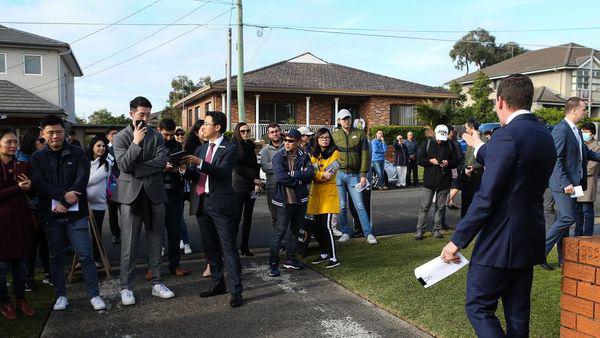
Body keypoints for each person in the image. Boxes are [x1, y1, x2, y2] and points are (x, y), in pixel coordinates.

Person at [441, 74, 556, 337]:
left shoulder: (507, 136)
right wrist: (479, 145)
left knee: (479, 307)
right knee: (517, 315)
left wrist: (456, 241)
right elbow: (510, 162)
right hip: (529, 236)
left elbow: (486, 197)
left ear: (501, 101)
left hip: (500, 241)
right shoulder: (544, 134)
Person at [31, 115, 106, 311]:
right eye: (50, 133)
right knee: (55, 257)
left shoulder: (77, 152)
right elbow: (39, 182)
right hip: (51, 215)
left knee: (85, 254)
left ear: (64, 132)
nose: (55, 136)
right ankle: (61, 295)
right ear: (43, 134)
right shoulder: (37, 157)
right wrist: (64, 197)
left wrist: (67, 200)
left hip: (76, 214)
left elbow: (83, 177)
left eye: (58, 131)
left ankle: (94, 295)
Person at [111, 97, 175, 306]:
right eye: (141, 115)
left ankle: (157, 282)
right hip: (130, 196)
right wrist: (136, 142)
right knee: (129, 243)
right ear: (131, 114)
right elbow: (123, 165)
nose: (146, 119)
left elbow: (161, 161)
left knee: (157, 239)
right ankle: (126, 287)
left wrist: (137, 169)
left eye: (148, 115)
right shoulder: (121, 137)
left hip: (154, 193)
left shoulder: (157, 136)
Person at [183, 111, 243, 308]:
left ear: (217, 127)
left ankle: (236, 290)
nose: (203, 127)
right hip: (202, 203)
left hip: (221, 204)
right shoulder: (201, 149)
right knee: (210, 248)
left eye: (207, 123)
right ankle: (218, 284)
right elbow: (194, 175)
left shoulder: (230, 148)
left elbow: (223, 172)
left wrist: (199, 163)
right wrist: (183, 169)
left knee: (228, 248)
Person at [543, 97, 600, 270]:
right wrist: (565, 182)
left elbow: (585, 154)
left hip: (575, 184)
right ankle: (539, 252)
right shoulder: (561, 130)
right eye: (584, 109)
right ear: (574, 110)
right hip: (564, 185)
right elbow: (556, 158)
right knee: (568, 217)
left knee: (564, 219)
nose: (586, 112)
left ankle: (563, 258)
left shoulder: (574, 130)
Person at [268, 129, 314, 277]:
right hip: (283, 201)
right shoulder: (278, 156)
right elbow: (281, 177)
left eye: (290, 141)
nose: (286, 143)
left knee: (295, 231)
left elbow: (310, 175)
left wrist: (293, 175)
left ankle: (290, 259)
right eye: (285, 140)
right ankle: (273, 264)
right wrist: (299, 179)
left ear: (298, 142)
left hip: (300, 200)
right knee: (279, 233)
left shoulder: (304, 156)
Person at [0, 128, 35, 319]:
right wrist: (17, 188)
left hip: (20, 222)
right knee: (2, 268)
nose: (13, 145)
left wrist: (30, 188)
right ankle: (5, 303)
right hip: (2, 225)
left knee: (21, 267)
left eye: (15, 142)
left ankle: (21, 300)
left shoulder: (22, 165)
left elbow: (32, 192)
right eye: (8, 142)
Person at [332, 109, 377, 244]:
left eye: (348, 118)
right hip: (339, 174)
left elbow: (365, 156)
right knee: (341, 206)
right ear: (339, 121)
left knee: (359, 205)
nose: (346, 121)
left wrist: (363, 175)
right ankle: (345, 232)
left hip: (354, 175)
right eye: (343, 119)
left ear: (351, 119)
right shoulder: (335, 136)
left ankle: (368, 233)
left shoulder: (360, 134)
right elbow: (331, 156)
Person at [16, 127, 52, 291]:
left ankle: (48, 274)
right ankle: (28, 277)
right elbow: (26, 186)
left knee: (45, 243)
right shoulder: (22, 160)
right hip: (29, 208)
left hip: (44, 205)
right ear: (32, 141)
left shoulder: (42, 156)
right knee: (31, 244)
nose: (45, 144)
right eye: (42, 140)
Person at [158, 118, 190, 277]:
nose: (169, 138)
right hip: (156, 194)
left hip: (175, 194)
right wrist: (163, 168)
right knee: (155, 232)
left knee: (174, 231)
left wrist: (179, 168)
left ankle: (174, 264)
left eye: (171, 135)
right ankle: (153, 267)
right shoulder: (152, 146)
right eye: (165, 134)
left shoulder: (178, 147)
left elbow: (184, 168)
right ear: (159, 130)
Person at [414, 125, 457, 240]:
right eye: (438, 138)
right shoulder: (427, 144)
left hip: (444, 182)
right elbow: (419, 160)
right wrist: (429, 161)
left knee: (440, 207)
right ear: (435, 135)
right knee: (424, 206)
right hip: (429, 181)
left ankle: (436, 229)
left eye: (442, 139)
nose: (439, 141)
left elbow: (456, 162)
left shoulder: (450, 145)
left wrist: (448, 162)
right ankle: (420, 230)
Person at [307, 128, 341, 269]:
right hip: (315, 195)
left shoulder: (336, 153)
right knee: (316, 226)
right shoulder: (314, 154)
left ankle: (333, 257)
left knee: (327, 226)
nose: (325, 139)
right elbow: (311, 173)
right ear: (317, 139)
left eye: (327, 137)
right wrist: (319, 175)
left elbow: (329, 175)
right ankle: (324, 253)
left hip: (328, 194)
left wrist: (318, 175)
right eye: (322, 137)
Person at [232, 122, 261, 257]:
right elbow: (238, 167)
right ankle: (231, 248)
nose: (245, 133)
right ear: (238, 132)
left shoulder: (250, 145)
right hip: (238, 187)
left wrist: (257, 181)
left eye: (247, 131)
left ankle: (245, 246)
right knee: (236, 217)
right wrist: (253, 178)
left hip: (251, 186)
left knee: (248, 218)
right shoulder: (234, 146)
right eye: (242, 131)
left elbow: (255, 165)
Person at [86, 135, 112, 267]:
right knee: (82, 234)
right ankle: (82, 260)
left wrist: (80, 183)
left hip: (99, 204)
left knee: (96, 233)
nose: (101, 148)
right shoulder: (84, 162)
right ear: (92, 147)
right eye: (98, 146)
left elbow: (90, 180)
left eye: (103, 146)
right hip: (83, 204)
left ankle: (96, 259)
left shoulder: (106, 164)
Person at [575, 122, 600, 236]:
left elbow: (592, 167)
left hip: (588, 182)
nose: (584, 133)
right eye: (583, 131)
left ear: (592, 133)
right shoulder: (580, 143)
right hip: (578, 182)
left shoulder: (597, 146)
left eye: (586, 131)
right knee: (578, 211)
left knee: (587, 211)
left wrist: (577, 171)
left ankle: (588, 234)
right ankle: (578, 233)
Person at [259, 123, 283, 232]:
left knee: (290, 216)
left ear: (280, 131)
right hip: (272, 187)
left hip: (289, 187)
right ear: (268, 135)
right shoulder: (264, 150)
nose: (275, 134)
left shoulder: (288, 146)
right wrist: (283, 167)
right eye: (272, 132)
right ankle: (279, 243)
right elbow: (265, 167)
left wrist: (275, 166)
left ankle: (292, 242)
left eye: (277, 131)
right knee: (275, 217)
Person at [458, 118, 483, 218]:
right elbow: (467, 158)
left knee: (476, 202)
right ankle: (464, 222)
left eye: (466, 126)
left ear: (471, 127)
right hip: (467, 176)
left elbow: (486, 158)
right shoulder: (469, 138)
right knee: (465, 201)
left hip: (478, 176)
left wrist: (474, 167)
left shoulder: (483, 140)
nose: (465, 128)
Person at [106, 127, 121, 244]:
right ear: (108, 136)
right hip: (111, 184)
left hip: (124, 182)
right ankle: (115, 233)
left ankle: (126, 233)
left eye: (117, 133)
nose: (115, 135)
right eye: (113, 133)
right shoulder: (104, 149)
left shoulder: (122, 147)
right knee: (112, 210)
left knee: (126, 210)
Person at [446, 127, 463, 209]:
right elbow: (460, 156)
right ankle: (447, 200)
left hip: (449, 167)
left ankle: (451, 203)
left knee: (452, 186)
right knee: (457, 186)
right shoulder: (456, 144)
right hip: (456, 167)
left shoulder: (448, 143)